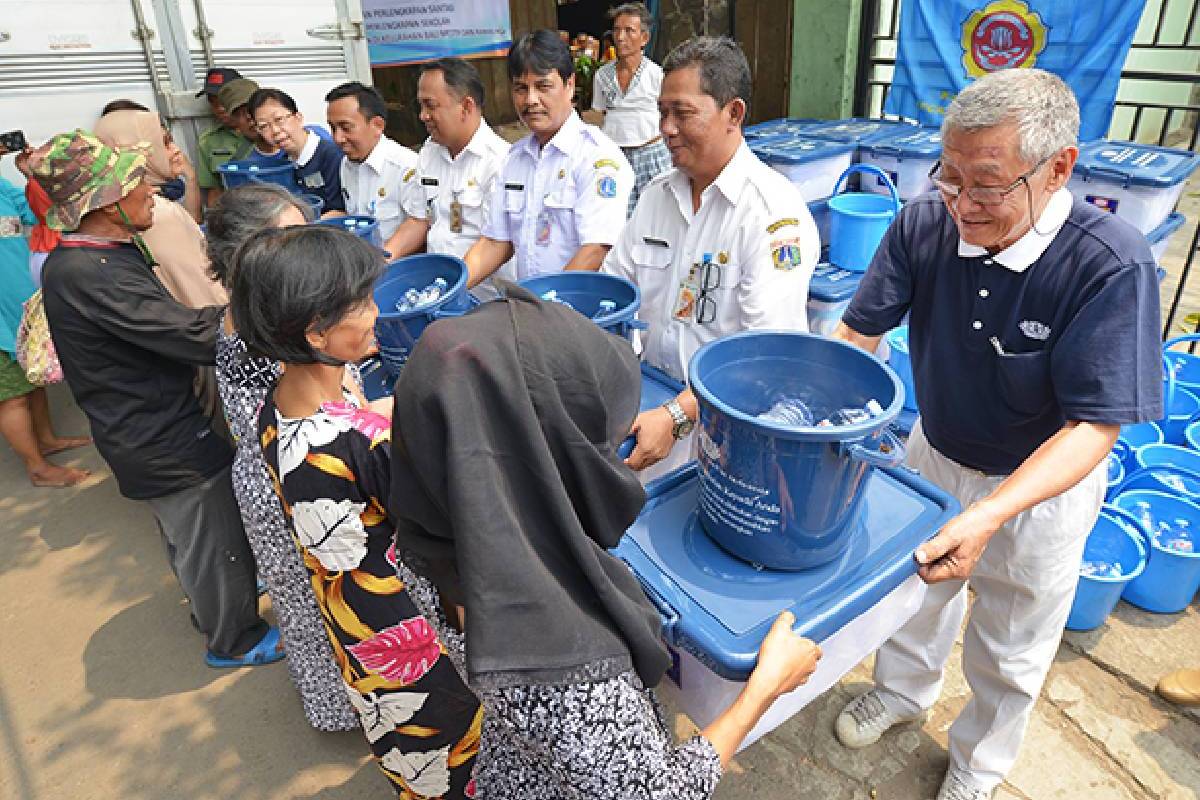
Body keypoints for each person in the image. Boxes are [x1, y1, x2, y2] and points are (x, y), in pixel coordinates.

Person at [829, 69, 1163, 800]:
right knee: (910, 601)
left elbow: (1094, 425)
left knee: (1013, 642)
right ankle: (901, 694)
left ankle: (978, 767)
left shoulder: (1108, 262)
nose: (962, 205)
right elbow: (858, 333)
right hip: (936, 453)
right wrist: (821, 410)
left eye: (986, 186)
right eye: (948, 177)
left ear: (1059, 168)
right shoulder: (924, 222)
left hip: (1042, 487)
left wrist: (991, 513)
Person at [388, 285, 823, 798]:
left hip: (515, 768)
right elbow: (657, 792)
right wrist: (765, 688)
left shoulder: (428, 532)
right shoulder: (565, 667)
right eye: (589, 438)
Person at [234, 225, 481, 797]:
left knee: (408, 753)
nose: (375, 312)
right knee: (456, 756)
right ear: (318, 333)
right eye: (361, 305)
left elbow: (355, 426)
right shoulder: (361, 441)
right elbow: (443, 537)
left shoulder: (279, 407)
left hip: (355, 627)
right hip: (415, 636)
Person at [31, 130, 280, 668]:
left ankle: (213, 607)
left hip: (146, 424)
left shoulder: (102, 254)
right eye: (134, 183)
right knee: (211, 533)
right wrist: (266, 304)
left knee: (189, 534)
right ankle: (233, 638)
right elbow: (191, 335)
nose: (149, 189)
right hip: (158, 435)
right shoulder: (86, 272)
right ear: (105, 203)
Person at [602, 36, 819, 475]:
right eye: (662, 112)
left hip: (725, 426)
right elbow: (614, 290)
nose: (666, 128)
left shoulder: (773, 214)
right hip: (650, 402)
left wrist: (678, 415)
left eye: (682, 113)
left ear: (732, 114)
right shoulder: (656, 197)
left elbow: (764, 355)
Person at [204, 184, 359, 732]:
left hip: (268, 475)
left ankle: (332, 706)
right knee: (319, 599)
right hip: (288, 485)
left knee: (303, 599)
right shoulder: (268, 327)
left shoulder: (248, 310)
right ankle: (342, 707)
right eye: (286, 236)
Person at [463, 30, 634, 285]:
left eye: (543, 86)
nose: (531, 100)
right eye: (521, 88)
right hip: (531, 309)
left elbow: (595, 250)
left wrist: (545, 309)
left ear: (569, 85)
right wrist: (449, 291)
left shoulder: (598, 157)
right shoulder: (515, 158)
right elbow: (496, 242)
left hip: (579, 311)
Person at [0, 147, 90, 487]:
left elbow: (38, 213)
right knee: (12, 395)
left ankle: (47, 440)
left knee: (30, 380)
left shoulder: (1, 187)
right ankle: (37, 467)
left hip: (16, 308)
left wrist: (30, 176)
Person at [388, 59, 510, 269]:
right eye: (421, 105)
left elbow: (495, 243)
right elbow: (418, 220)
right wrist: (383, 259)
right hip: (438, 279)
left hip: (484, 292)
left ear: (466, 106)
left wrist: (452, 287)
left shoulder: (500, 161)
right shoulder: (430, 151)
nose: (423, 116)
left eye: (431, 105)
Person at [591, 3, 672, 215]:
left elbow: (668, 114)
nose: (620, 37)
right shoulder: (602, 76)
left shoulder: (657, 75)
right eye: (617, 30)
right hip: (616, 156)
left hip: (651, 154)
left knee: (657, 214)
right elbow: (600, 115)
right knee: (617, 215)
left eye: (629, 31)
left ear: (644, 38)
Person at [325, 81, 418, 244]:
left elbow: (418, 224)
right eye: (333, 128)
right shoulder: (346, 164)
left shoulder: (406, 167)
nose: (337, 138)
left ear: (377, 125)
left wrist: (383, 260)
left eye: (346, 128)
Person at [249, 87, 346, 214]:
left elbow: (341, 210)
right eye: (263, 126)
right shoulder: (282, 163)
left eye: (279, 120)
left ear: (298, 117)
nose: (275, 130)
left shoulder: (332, 155)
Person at [194, 67, 250, 207]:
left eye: (224, 100)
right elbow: (214, 191)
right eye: (212, 101)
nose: (219, 107)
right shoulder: (208, 141)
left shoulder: (268, 131)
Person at [217, 79, 291, 169]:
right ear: (235, 123)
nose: (249, 116)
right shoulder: (239, 165)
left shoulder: (301, 142)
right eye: (240, 113)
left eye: (252, 108)